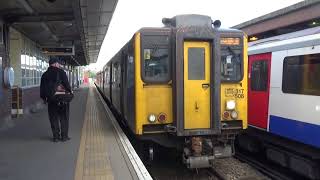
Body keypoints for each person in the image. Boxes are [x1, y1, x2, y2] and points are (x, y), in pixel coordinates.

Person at [40, 57, 72, 142]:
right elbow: (66, 84)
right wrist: (70, 92)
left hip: (51, 100)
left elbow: (42, 89)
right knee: (64, 118)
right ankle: (64, 137)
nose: (59, 65)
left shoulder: (44, 75)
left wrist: (44, 99)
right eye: (58, 63)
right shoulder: (61, 72)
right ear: (55, 63)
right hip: (62, 99)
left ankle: (56, 137)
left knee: (53, 118)